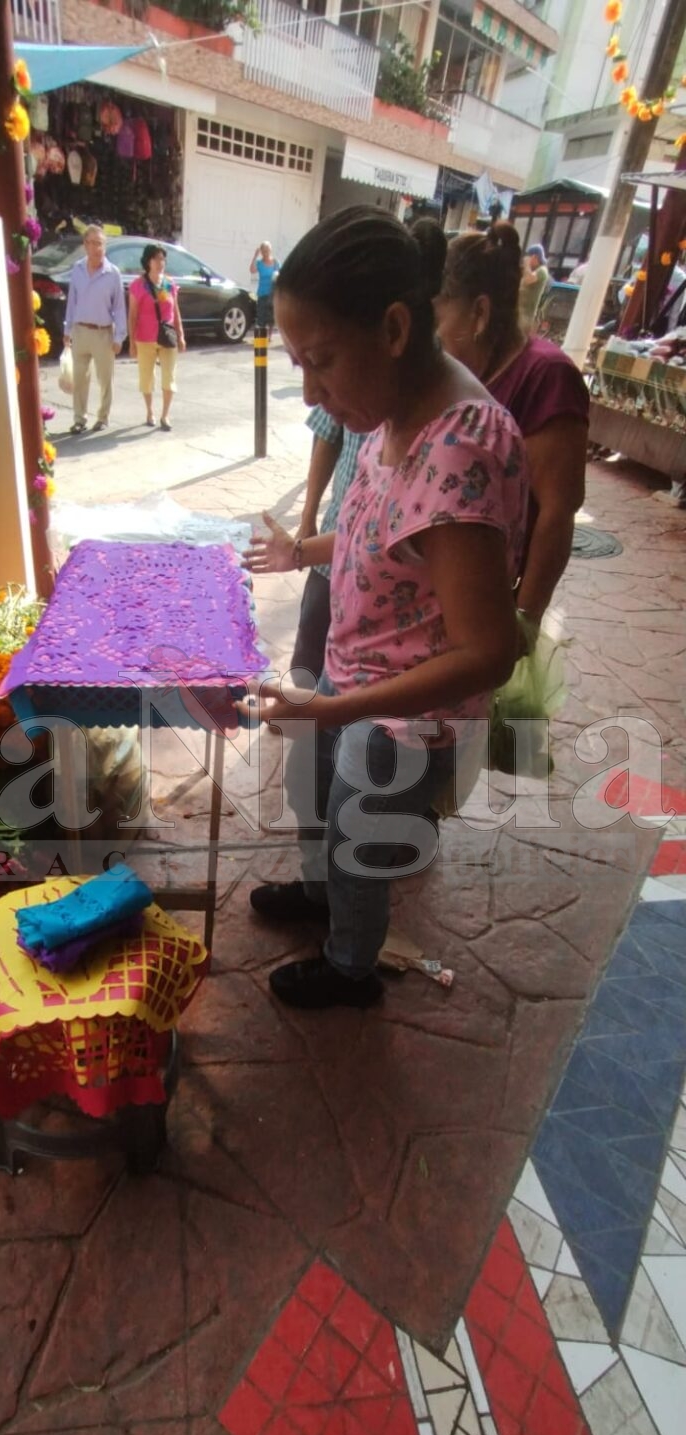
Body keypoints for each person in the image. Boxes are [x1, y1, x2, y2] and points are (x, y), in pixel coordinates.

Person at [238, 208, 529, 1011]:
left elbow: (486, 652)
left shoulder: (461, 448)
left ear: (395, 329)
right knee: (318, 794)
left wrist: (338, 709)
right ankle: (320, 891)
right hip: (355, 686)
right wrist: (305, 550)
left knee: (360, 835)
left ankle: (350, 964)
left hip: (404, 719)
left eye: (322, 361)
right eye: (298, 364)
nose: (311, 389)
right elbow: (378, 535)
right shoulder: (392, 412)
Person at [434, 221, 589, 625]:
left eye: (437, 320)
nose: (430, 339)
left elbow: (557, 512)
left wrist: (523, 625)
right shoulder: (463, 373)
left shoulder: (547, 377)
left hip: (491, 606)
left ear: (479, 314)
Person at [288, 409, 367, 685]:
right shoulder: (343, 401)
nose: (308, 396)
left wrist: (300, 552)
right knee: (310, 646)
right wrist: (307, 520)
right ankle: (308, 716)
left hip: (375, 574)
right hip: (332, 546)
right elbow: (327, 437)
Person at [63, 224, 127, 434]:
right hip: (81, 331)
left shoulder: (112, 273)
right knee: (80, 380)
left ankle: (102, 417)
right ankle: (79, 419)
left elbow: (119, 307)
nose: (97, 248)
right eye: (93, 243)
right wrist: (67, 329)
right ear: (85, 245)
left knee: (105, 379)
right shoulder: (78, 269)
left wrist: (119, 337)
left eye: (100, 244)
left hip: (103, 333)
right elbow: (72, 301)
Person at [128, 243, 186, 431]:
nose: (160, 262)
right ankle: (149, 411)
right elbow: (133, 315)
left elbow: (175, 310)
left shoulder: (169, 283)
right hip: (144, 337)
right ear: (148, 261)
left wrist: (181, 334)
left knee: (169, 376)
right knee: (146, 377)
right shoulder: (138, 285)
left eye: (162, 258)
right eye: (156, 258)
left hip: (167, 336)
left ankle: (165, 415)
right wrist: (131, 342)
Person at [250, 241, 280, 338]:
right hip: (262, 293)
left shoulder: (275, 262)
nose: (265, 253)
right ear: (261, 252)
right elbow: (252, 270)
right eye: (263, 251)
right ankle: (261, 338)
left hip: (272, 294)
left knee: (271, 317)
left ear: (270, 250)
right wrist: (255, 256)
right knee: (261, 317)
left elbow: (280, 276)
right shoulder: (259, 263)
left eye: (267, 250)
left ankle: (270, 336)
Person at [518, 243, 550, 334]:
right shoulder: (532, 271)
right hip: (519, 312)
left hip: (527, 315)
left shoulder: (542, 270)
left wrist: (527, 264)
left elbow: (529, 280)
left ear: (535, 257)